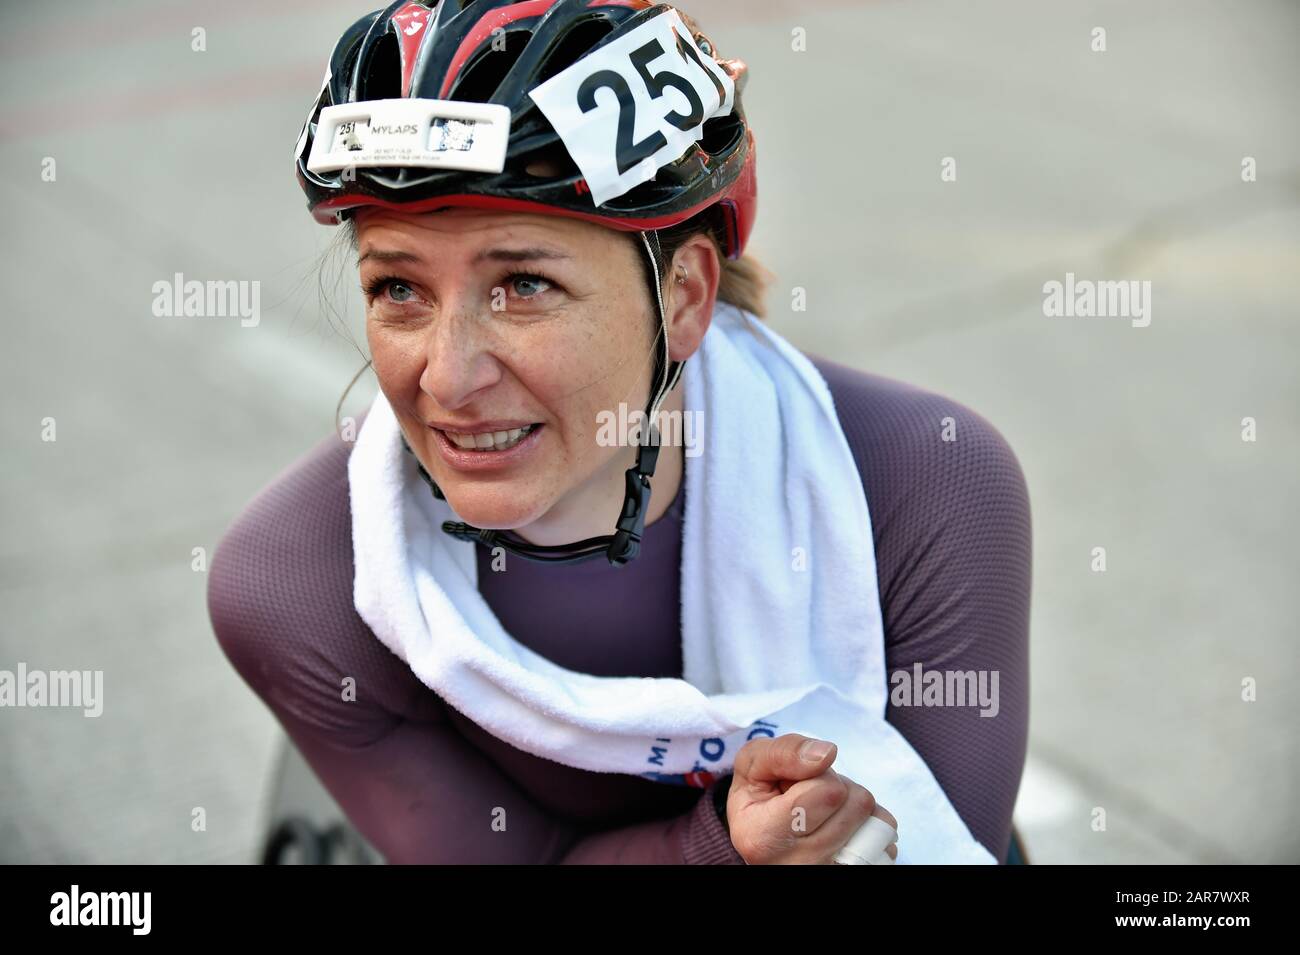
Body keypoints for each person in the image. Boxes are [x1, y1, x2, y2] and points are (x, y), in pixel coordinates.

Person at [209, 0, 1031, 864]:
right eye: (398, 290)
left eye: (523, 284)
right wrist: (721, 852)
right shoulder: (290, 581)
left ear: (684, 297)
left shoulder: (929, 482)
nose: (447, 378)